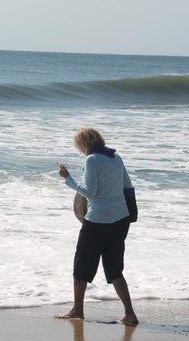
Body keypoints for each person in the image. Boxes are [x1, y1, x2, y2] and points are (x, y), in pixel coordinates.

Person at [56, 127, 138, 326]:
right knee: (115, 268)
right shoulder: (115, 158)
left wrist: (68, 179)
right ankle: (129, 313)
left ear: (84, 143)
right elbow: (127, 187)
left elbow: (90, 193)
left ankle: (77, 310)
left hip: (98, 220)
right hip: (120, 220)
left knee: (81, 265)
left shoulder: (91, 160)